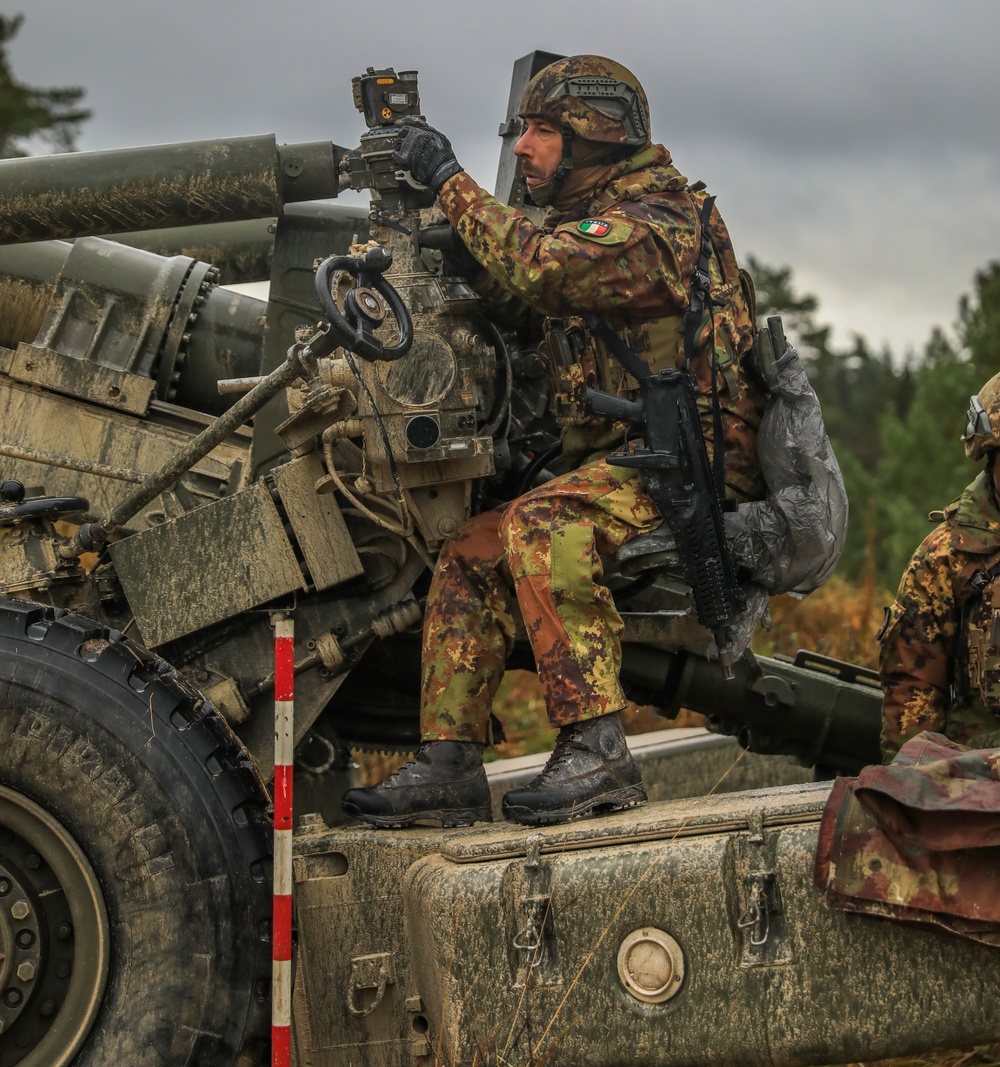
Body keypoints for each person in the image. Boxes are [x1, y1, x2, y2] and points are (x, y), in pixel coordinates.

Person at [342, 54, 767, 829]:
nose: (525, 147)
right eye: (524, 128)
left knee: (543, 522)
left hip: (687, 473)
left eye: (544, 130)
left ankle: (598, 746)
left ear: (597, 138)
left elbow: (542, 270)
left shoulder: (657, 224)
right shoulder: (583, 224)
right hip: (625, 464)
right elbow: (520, 299)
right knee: (472, 547)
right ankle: (449, 762)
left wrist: (450, 180)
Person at [879, 370, 1000, 762]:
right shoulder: (947, 558)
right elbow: (914, 692)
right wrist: (918, 803)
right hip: (980, 795)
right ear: (991, 455)